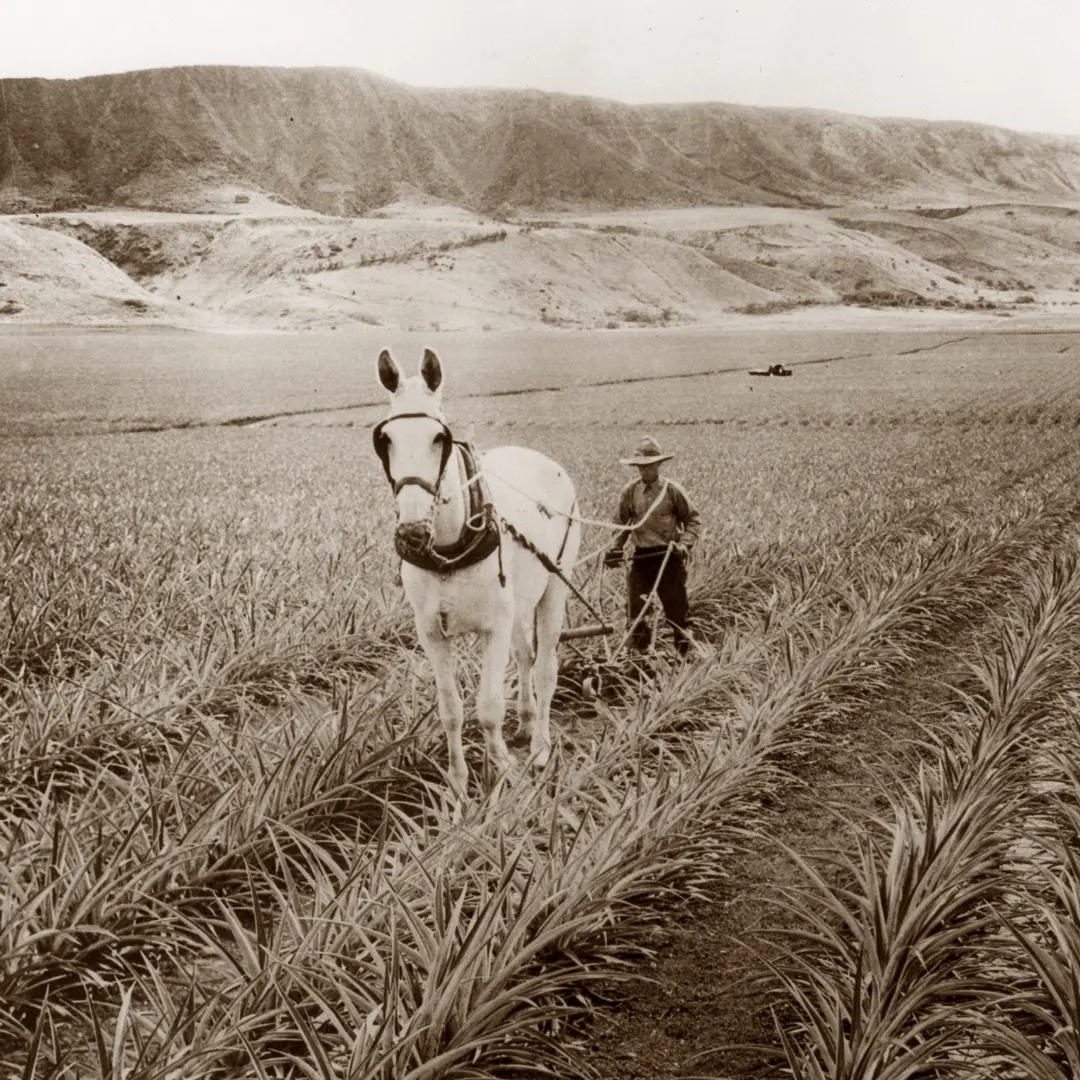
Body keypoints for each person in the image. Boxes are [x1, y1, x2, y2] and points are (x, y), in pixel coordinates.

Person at [604, 436, 701, 657]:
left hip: (669, 557)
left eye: (649, 466)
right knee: (637, 612)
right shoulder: (630, 492)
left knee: (677, 610)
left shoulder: (672, 491)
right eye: (641, 467)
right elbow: (621, 524)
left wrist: (684, 545)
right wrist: (616, 547)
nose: (645, 471)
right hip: (641, 558)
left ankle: (685, 656)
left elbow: (693, 519)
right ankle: (640, 657)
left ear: (658, 465)